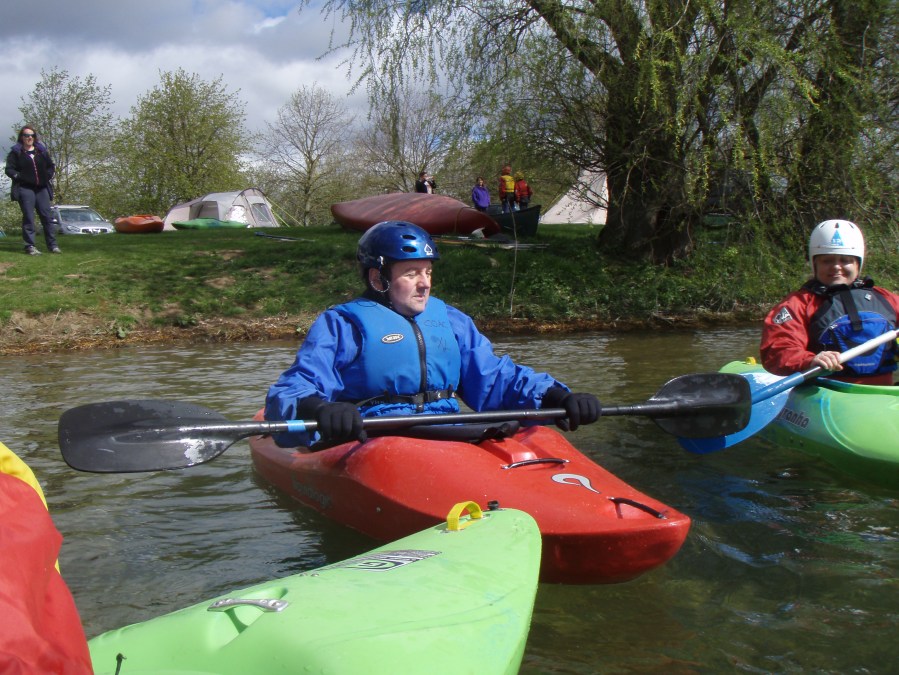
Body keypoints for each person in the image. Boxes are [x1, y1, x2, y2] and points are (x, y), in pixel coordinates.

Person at [265, 220, 602, 448]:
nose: (425, 283)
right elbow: (296, 386)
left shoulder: (451, 320)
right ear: (377, 278)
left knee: (524, 433)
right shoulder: (342, 324)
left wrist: (557, 397)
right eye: (411, 273)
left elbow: (494, 377)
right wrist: (319, 409)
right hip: (376, 437)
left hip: (449, 433)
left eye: (427, 272)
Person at [760, 219, 899, 385]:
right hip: (824, 391)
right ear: (815, 264)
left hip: (883, 392)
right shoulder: (797, 304)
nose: (836, 267)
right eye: (827, 261)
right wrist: (810, 360)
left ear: (858, 264)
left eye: (845, 260)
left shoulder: (886, 299)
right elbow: (778, 350)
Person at [5, 125, 60, 255]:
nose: (29, 137)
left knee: (47, 216)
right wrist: (18, 176)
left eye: (32, 135)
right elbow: (9, 169)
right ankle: (30, 246)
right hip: (25, 188)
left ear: (34, 137)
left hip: (41, 188)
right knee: (29, 217)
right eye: (26, 135)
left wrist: (47, 175)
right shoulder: (16, 153)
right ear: (22, 137)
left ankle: (52, 246)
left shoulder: (41, 152)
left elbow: (50, 166)